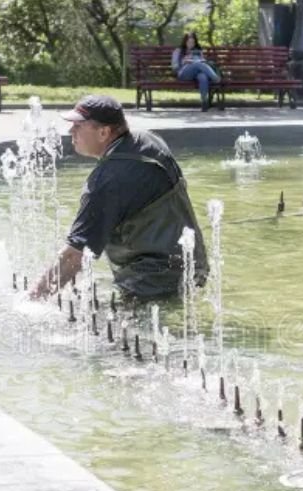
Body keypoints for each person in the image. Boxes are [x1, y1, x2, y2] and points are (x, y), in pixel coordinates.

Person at [31, 95, 208, 303]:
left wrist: (33, 298)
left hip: (154, 283)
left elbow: (74, 256)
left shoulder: (107, 181)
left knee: (117, 329)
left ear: (104, 132)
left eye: (78, 126)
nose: (71, 131)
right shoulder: (148, 140)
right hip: (193, 267)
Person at [171, 32, 221, 111]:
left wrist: (202, 60)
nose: (191, 44)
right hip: (183, 73)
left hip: (196, 73)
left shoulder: (198, 51)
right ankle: (215, 78)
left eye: (193, 42)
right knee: (197, 64)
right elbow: (174, 66)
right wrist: (183, 61)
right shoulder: (178, 51)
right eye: (189, 42)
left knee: (203, 76)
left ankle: (204, 101)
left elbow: (203, 63)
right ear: (185, 42)